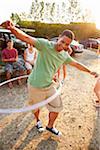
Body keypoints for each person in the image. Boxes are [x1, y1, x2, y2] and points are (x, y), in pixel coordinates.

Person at [1, 20, 98, 136]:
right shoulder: (45, 45)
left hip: (49, 85)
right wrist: (12, 29)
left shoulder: (64, 55)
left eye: (67, 44)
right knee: (35, 107)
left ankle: (50, 126)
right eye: (62, 42)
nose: (63, 46)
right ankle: (37, 121)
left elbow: (76, 64)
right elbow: (26, 38)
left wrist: (90, 71)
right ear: (59, 38)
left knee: (57, 107)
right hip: (35, 85)